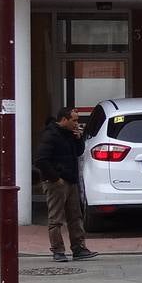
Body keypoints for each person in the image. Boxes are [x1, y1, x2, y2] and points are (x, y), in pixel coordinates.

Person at [34, 109, 99, 262]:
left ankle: (79, 248)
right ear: (64, 119)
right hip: (56, 182)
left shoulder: (70, 134)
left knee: (75, 216)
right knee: (56, 218)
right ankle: (58, 250)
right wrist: (56, 178)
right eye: (74, 120)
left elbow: (79, 152)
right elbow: (40, 160)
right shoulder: (50, 135)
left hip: (71, 180)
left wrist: (78, 139)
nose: (77, 124)